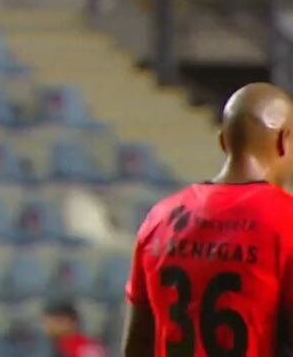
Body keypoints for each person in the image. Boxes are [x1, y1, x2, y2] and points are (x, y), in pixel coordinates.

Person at [123, 82, 293, 357]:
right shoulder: (287, 220)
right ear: (284, 141)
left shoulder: (159, 219)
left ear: (223, 142)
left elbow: (136, 347)